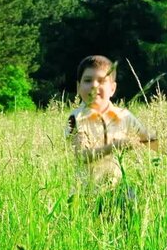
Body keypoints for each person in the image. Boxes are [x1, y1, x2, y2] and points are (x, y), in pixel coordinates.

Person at [66, 55, 158, 213]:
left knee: (133, 202)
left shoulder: (124, 116)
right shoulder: (76, 118)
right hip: (86, 195)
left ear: (113, 88)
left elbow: (149, 140)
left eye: (101, 81)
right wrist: (114, 147)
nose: (94, 86)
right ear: (78, 87)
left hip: (117, 190)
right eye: (87, 81)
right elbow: (81, 155)